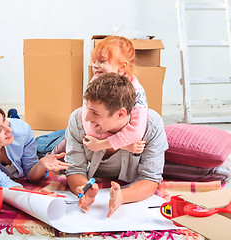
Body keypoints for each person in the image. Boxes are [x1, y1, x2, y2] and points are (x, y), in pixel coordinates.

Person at [65, 72, 168, 217]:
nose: (87, 118)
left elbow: (150, 178)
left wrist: (122, 196)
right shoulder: (78, 119)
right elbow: (74, 168)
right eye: (87, 109)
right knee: (48, 150)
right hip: (64, 139)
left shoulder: (151, 125)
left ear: (121, 114)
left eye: (95, 113)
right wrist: (82, 188)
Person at [82, 35, 148, 154]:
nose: (95, 65)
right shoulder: (95, 82)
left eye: (102, 61)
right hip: (92, 132)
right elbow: (90, 129)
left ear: (122, 67)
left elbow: (136, 132)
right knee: (62, 141)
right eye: (94, 61)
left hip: (105, 133)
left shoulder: (136, 90)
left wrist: (101, 144)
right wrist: (125, 145)